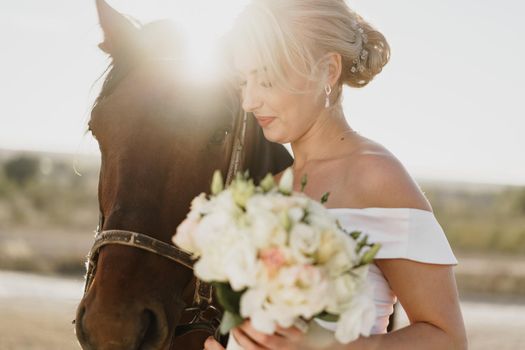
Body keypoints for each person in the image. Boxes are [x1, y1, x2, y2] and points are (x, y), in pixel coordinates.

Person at [205, 0, 468, 349]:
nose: (249, 101)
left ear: (327, 71)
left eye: (266, 79)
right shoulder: (270, 188)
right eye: (243, 81)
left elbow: (447, 339)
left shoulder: (375, 177)